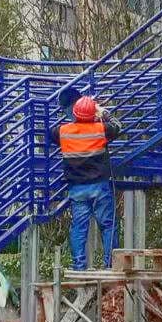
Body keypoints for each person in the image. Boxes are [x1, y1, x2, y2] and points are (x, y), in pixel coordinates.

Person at [51, 94, 122, 270]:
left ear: (74, 113)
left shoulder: (63, 131)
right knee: (108, 225)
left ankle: (79, 265)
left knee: (79, 228)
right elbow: (117, 126)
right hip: (100, 186)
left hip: (77, 189)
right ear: (92, 115)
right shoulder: (101, 129)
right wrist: (102, 112)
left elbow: (50, 132)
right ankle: (110, 264)